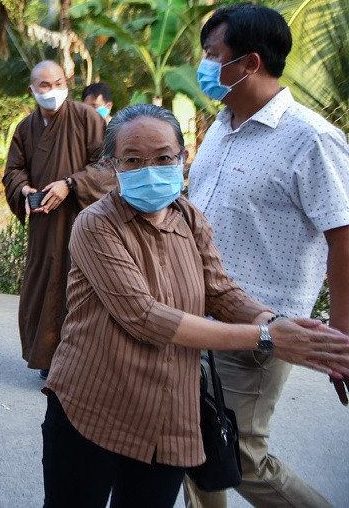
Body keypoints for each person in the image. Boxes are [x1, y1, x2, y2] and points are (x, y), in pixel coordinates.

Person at [42, 104, 349, 508]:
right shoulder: (97, 223)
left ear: (183, 158)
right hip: (92, 407)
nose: (150, 168)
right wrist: (266, 337)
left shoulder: (189, 218)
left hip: (170, 418)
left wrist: (282, 326)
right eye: (133, 160)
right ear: (111, 166)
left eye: (164, 157)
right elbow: (144, 316)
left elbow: (221, 293)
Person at [183, 4, 349, 508]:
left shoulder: (311, 138)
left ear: (249, 62)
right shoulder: (220, 125)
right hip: (199, 316)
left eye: (213, 55)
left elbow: (344, 238)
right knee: (198, 446)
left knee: (243, 459)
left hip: (261, 330)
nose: (204, 65)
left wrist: (340, 342)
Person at [2, 60, 115, 376]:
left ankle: (80, 364)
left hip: (82, 223)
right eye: (44, 86)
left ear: (67, 84)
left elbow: (109, 167)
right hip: (43, 225)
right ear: (32, 90)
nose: (52, 91)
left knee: (78, 288)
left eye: (58, 83)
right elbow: (12, 170)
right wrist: (23, 190)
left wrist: (70, 185)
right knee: (43, 287)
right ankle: (47, 360)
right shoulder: (26, 128)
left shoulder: (88, 119)